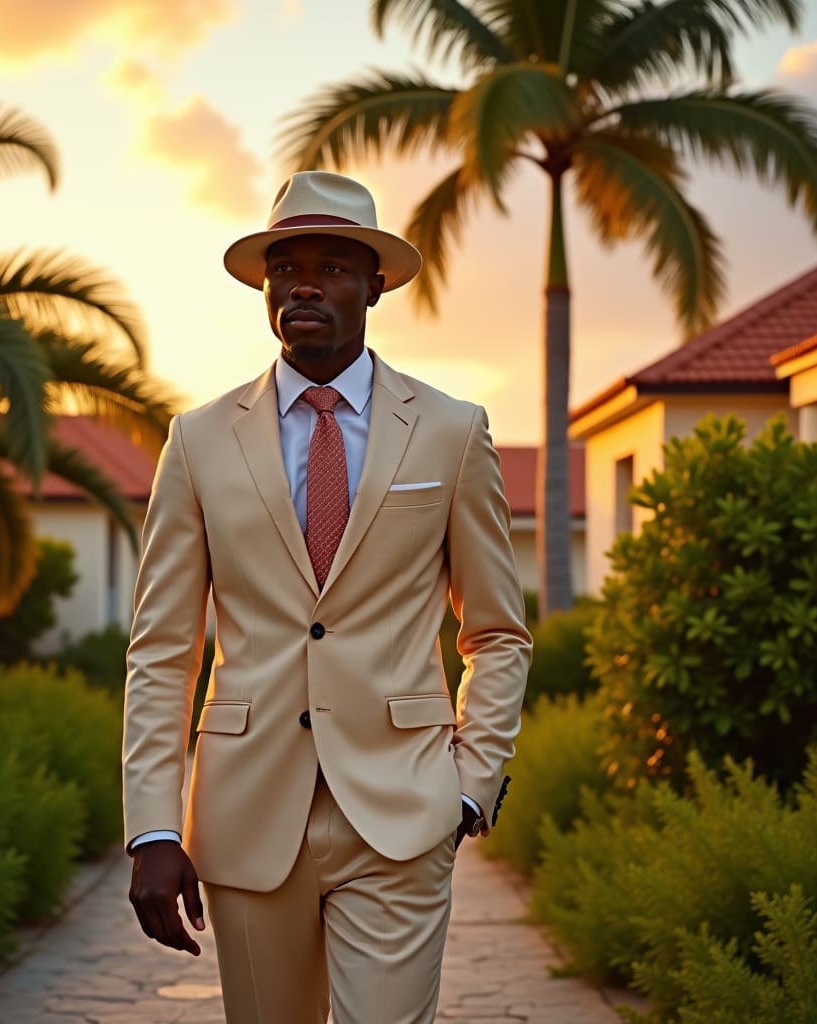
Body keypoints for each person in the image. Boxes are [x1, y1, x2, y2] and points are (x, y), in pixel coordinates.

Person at [122, 170, 531, 1024]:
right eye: (286, 267)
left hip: (401, 813)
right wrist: (154, 827)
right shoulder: (197, 440)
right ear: (267, 288)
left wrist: (469, 785)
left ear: (376, 285)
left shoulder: (453, 431)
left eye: (334, 266)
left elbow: (496, 634)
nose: (304, 283)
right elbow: (163, 649)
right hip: (245, 814)